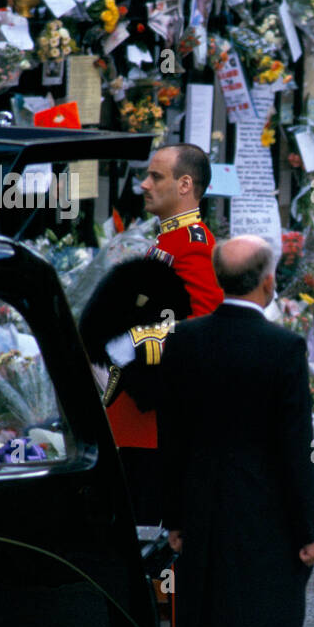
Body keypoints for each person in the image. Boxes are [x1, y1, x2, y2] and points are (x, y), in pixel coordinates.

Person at [156, 234, 314, 627]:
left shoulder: (183, 339)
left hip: (201, 516)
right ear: (269, 281)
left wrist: (175, 518)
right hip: (264, 522)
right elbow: (296, 449)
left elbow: (171, 437)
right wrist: (309, 533)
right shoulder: (282, 348)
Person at [98, 144, 223, 528]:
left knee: (152, 541)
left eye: (156, 177)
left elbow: (201, 329)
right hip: (137, 414)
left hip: (158, 419)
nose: (144, 184)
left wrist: (127, 341)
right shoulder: (169, 240)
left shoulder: (193, 246)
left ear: (185, 185)